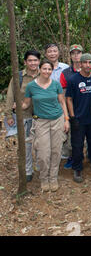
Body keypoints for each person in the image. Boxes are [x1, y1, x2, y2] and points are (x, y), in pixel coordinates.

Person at [22, 60, 70, 192]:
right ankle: (44, 177)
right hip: (41, 121)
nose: (47, 72)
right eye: (44, 69)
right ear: (39, 69)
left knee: (56, 151)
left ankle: (53, 177)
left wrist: (66, 119)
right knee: (43, 153)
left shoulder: (56, 84)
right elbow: (26, 104)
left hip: (57, 120)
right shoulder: (31, 86)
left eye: (49, 69)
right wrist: (17, 107)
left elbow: (62, 102)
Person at [5, 50, 41, 182]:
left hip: (40, 116)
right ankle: (28, 170)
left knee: (39, 144)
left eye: (35, 60)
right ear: (25, 62)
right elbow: (10, 97)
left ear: (39, 62)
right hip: (23, 117)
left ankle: (40, 167)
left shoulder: (43, 75)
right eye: (30, 60)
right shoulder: (18, 77)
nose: (33, 63)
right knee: (25, 146)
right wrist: (8, 115)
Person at [66, 53, 91, 183]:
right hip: (79, 119)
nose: (87, 65)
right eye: (85, 63)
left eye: (90, 62)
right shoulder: (73, 80)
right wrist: (72, 117)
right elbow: (68, 99)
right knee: (77, 145)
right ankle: (77, 168)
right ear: (80, 64)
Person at [60, 44, 84, 169]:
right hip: (72, 109)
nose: (76, 55)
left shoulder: (90, 70)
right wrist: (67, 114)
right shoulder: (66, 73)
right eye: (73, 53)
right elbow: (63, 95)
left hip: (86, 108)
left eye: (78, 53)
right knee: (72, 138)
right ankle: (72, 157)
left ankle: (87, 157)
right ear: (70, 55)